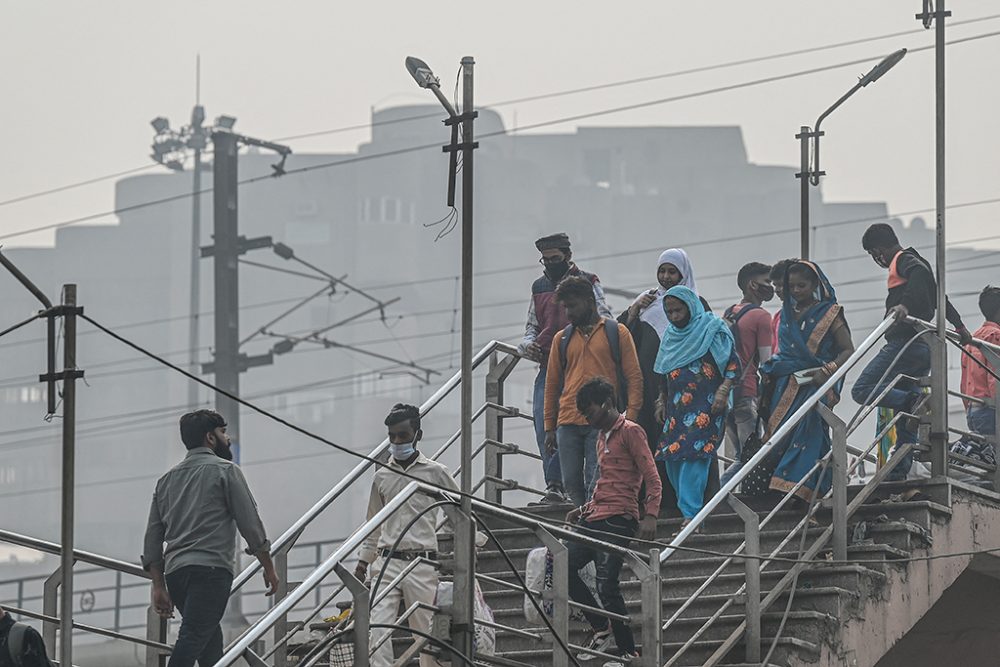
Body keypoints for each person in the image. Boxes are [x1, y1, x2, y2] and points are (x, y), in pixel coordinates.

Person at [142, 410, 278, 667]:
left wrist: (158, 585)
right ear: (210, 437)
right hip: (211, 571)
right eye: (223, 432)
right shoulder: (226, 471)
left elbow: (152, 538)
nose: (228, 438)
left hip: (177, 575)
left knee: (209, 641)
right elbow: (250, 524)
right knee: (193, 635)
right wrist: (268, 567)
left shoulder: (166, 481)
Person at [852, 223, 972, 481]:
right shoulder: (919, 262)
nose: (877, 260)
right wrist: (959, 325)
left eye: (874, 254)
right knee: (906, 419)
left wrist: (904, 305)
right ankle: (898, 472)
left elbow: (917, 275)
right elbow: (941, 296)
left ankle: (911, 403)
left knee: (862, 389)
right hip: (924, 348)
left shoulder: (904, 261)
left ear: (879, 250)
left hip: (905, 343)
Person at [355, 404, 461, 667]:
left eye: (403, 435)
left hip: (422, 564)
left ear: (417, 435)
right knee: (377, 630)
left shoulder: (435, 473)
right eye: (392, 436)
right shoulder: (382, 476)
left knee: (425, 633)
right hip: (386, 561)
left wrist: (470, 546)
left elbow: (459, 514)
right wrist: (362, 563)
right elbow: (374, 524)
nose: (397, 441)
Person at [618, 248, 719, 517]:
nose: (666, 277)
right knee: (652, 438)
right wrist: (634, 308)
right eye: (662, 271)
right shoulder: (648, 303)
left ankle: (694, 502)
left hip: (690, 389)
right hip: (653, 387)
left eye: (672, 271)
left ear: (683, 273)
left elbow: (713, 344)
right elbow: (623, 337)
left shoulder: (698, 304)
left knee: (692, 439)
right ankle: (655, 500)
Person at [565, 378, 660, 665]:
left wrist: (651, 515)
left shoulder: (630, 431)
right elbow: (604, 483)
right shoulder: (600, 437)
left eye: (591, 413)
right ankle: (600, 627)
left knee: (607, 584)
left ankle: (628, 652)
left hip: (620, 517)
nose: (588, 420)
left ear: (607, 404)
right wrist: (582, 509)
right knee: (563, 568)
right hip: (596, 515)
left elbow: (652, 476)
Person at [519, 233, 612, 503]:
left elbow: (604, 316)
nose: (550, 264)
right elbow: (531, 327)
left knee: (585, 425)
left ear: (568, 256)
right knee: (544, 424)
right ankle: (554, 486)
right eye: (545, 260)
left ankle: (588, 489)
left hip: (583, 364)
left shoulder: (588, 282)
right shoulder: (539, 287)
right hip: (549, 366)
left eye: (555, 259)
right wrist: (527, 346)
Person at [759, 261, 854, 504]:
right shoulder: (786, 315)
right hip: (784, 383)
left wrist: (828, 369)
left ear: (815, 284)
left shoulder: (829, 313)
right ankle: (779, 484)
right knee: (782, 433)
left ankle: (798, 488)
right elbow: (786, 352)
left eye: (802, 285)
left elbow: (847, 351)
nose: (797, 290)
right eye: (791, 286)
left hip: (815, 383)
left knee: (808, 431)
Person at [545, 276, 643, 508]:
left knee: (596, 479)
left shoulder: (617, 333)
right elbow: (552, 384)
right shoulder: (562, 339)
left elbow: (634, 377)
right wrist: (549, 426)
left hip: (604, 421)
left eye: (573, 306)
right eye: (566, 306)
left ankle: (591, 527)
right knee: (571, 482)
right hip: (567, 421)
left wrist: (630, 420)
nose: (568, 312)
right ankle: (583, 524)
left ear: (589, 301)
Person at [653, 286, 739, 526]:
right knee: (671, 457)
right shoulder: (670, 336)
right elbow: (662, 370)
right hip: (676, 409)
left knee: (694, 457)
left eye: (678, 310)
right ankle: (688, 512)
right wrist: (661, 400)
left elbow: (732, 364)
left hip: (706, 406)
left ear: (690, 306)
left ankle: (691, 515)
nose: (674, 316)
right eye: (669, 312)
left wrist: (723, 392)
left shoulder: (712, 329)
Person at [720, 262, 775, 484]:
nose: (770, 287)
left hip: (726, 396)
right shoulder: (761, 317)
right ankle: (717, 497)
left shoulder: (729, 313)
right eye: (767, 281)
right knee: (750, 457)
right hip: (747, 393)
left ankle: (728, 499)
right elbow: (767, 362)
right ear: (753, 284)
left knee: (741, 455)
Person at [953, 286, 1000, 465]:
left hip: (974, 408)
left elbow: (965, 381)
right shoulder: (996, 336)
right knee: (994, 460)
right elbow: (994, 377)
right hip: (991, 408)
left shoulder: (972, 338)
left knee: (986, 459)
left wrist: (968, 407)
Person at [768, 259, 797, 355]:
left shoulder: (814, 313)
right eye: (775, 285)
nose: (777, 290)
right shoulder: (778, 316)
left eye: (781, 285)